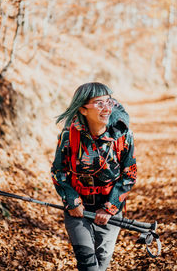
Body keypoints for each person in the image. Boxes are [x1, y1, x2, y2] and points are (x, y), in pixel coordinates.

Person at [51, 82, 137, 271]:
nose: (107, 108)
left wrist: (109, 208)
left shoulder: (122, 135)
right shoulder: (68, 136)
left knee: (102, 261)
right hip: (78, 211)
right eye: (99, 103)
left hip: (110, 212)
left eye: (109, 102)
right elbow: (58, 171)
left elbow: (129, 175)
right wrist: (72, 201)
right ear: (83, 109)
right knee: (88, 263)